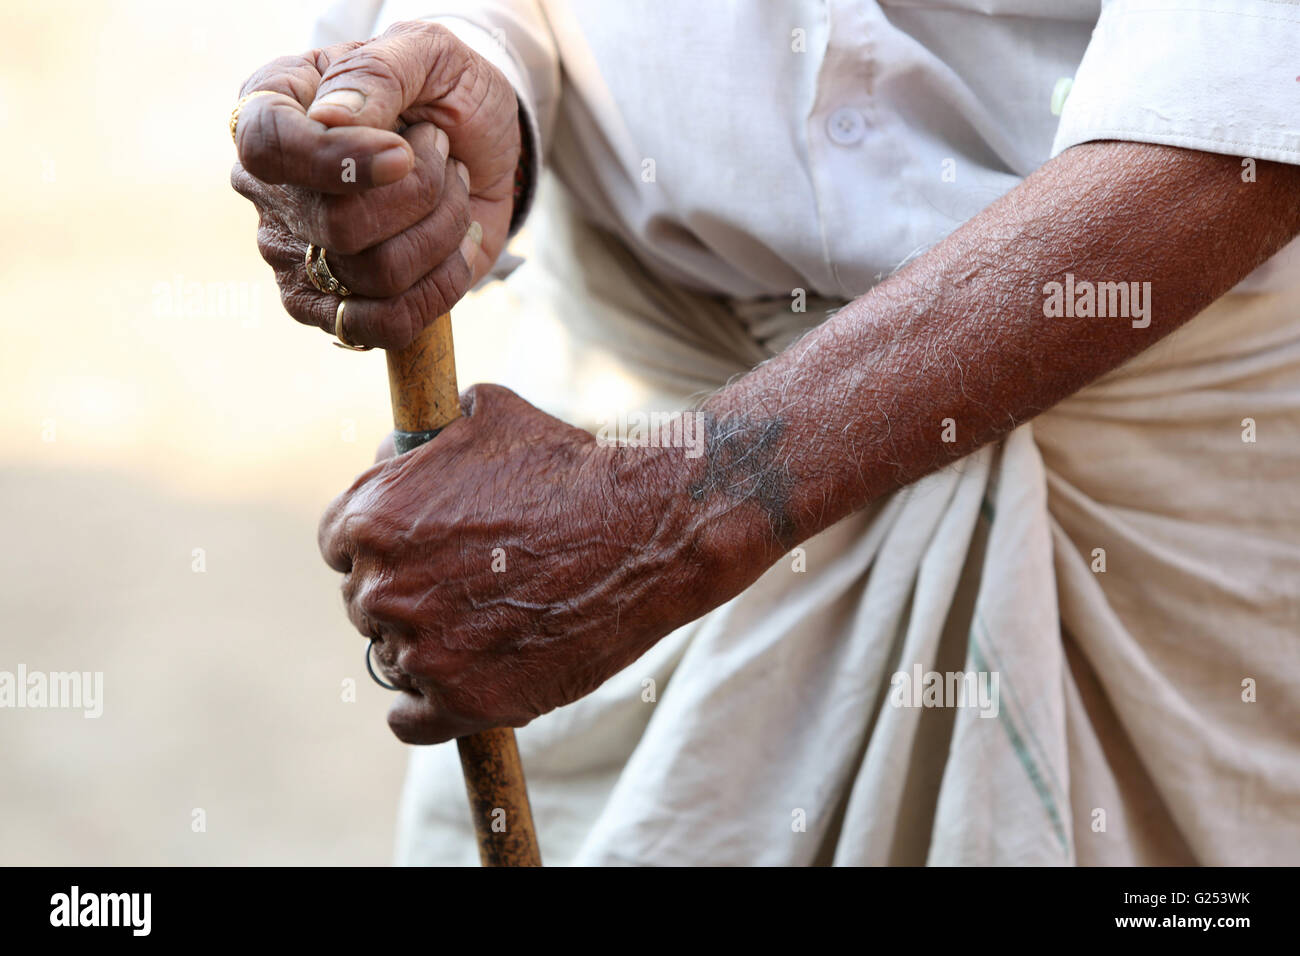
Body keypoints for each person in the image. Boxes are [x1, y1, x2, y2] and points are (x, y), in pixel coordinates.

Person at [230, 0, 1300, 865]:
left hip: (1155, 487)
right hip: (635, 391)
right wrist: (471, 62)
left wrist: (674, 513)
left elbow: (1246, 121)